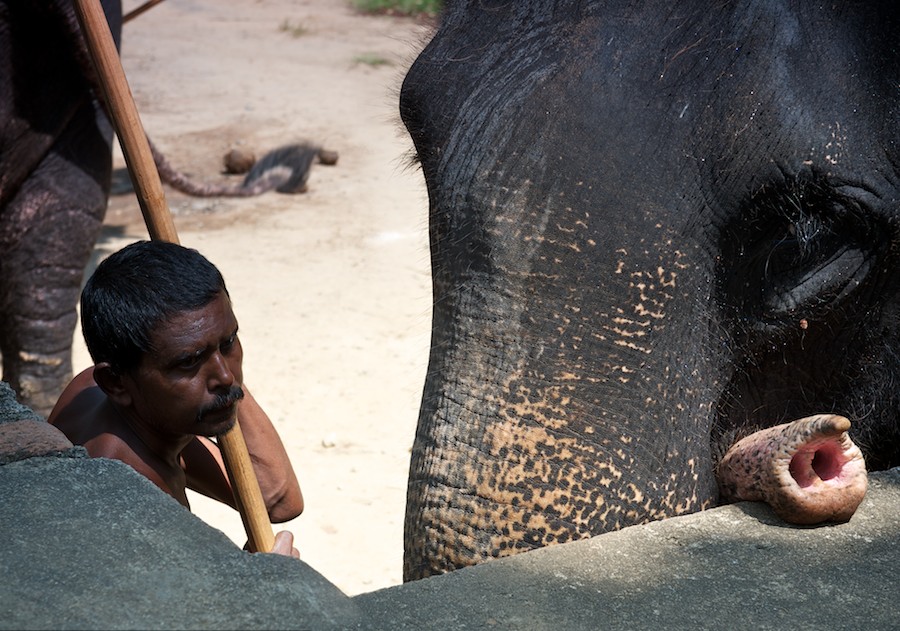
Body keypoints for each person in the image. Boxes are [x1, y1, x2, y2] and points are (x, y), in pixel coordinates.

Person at [49, 240, 303, 558]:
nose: (224, 376)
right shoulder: (132, 500)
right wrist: (264, 583)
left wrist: (216, 368)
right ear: (115, 382)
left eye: (229, 342)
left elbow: (276, 498)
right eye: (188, 361)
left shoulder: (133, 404)